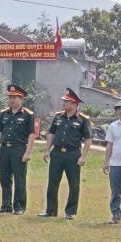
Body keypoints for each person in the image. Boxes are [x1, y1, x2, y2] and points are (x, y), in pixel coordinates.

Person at [39, 88, 92, 220]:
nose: (64, 104)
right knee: (52, 182)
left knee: (73, 184)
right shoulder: (58, 116)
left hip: (73, 154)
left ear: (75, 104)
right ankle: (50, 210)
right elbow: (51, 133)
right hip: (57, 153)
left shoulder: (83, 119)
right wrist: (47, 150)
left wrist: (83, 156)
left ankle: (70, 211)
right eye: (64, 101)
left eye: (67, 102)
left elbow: (88, 139)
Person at [0, 84, 36, 214]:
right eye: (10, 97)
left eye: (14, 97)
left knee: (19, 179)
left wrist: (28, 152)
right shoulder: (4, 113)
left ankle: (19, 206)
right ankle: (6, 205)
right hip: (5, 148)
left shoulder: (28, 115)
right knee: (4, 178)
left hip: (19, 149)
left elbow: (32, 134)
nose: (11, 100)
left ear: (21, 99)